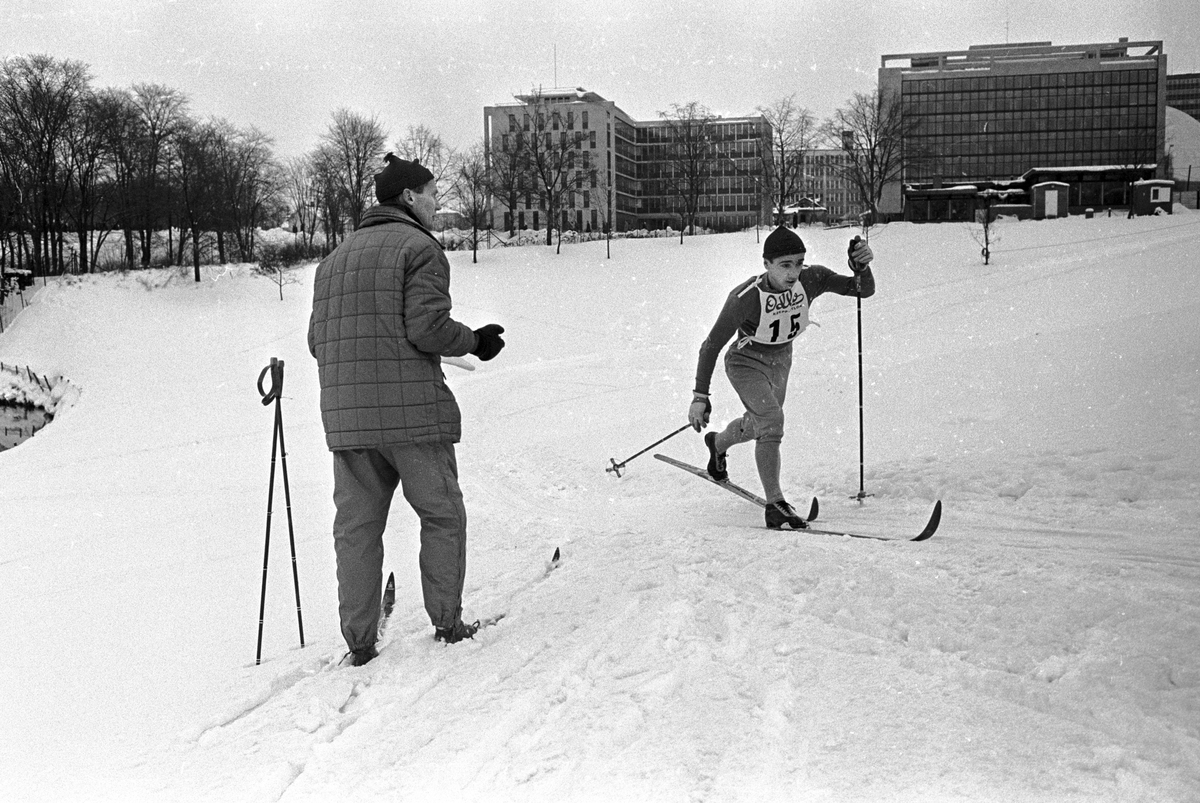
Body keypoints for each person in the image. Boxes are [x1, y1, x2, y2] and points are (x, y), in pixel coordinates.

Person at [308, 153, 506, 666]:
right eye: (433, 195)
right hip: (413, 418)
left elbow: (317, 342)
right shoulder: (420, 249)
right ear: (409, 198)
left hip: (348, 422)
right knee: (441, 515)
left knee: (356, 530)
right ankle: (448, 622)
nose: (438, 206)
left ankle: (358, 641)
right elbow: (427, 328)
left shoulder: (333, 261)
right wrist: (475, 341)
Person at [688, 226, 875, 529]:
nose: (793, 272)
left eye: (799, 263)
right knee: (772, 420)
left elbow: (861, 289)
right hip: (745, 361)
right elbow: (710, 346)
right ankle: (775, 504)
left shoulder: (810, 279)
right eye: (785, 265)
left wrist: (862, 267)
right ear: (767, 264)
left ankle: (718, 445)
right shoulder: (745, 297)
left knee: (760, 423)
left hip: (781, 361)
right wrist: (700, 397)